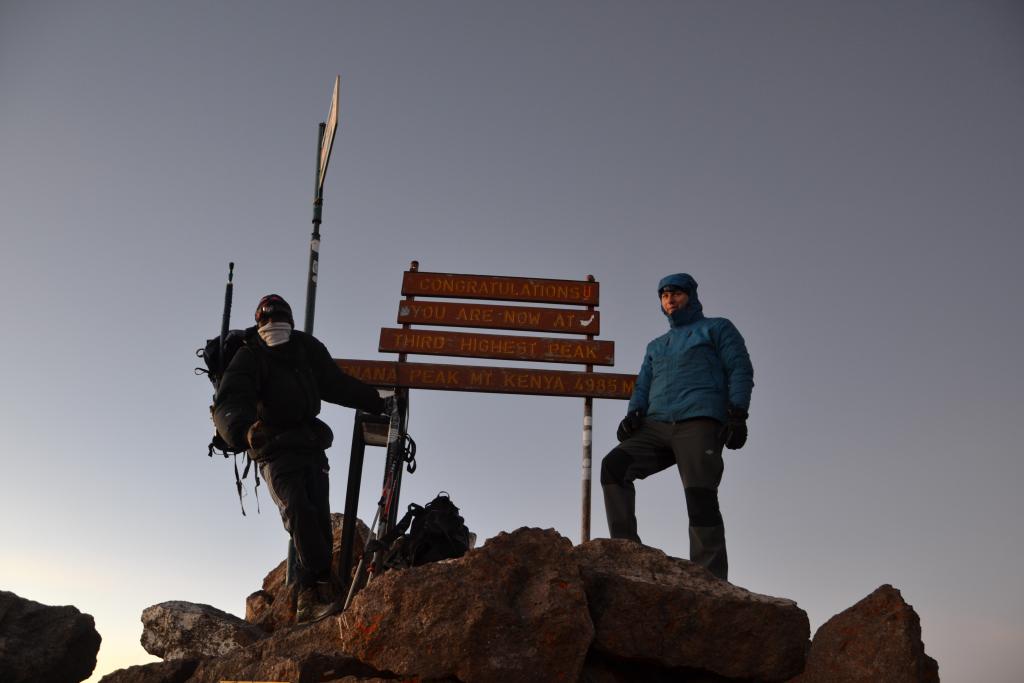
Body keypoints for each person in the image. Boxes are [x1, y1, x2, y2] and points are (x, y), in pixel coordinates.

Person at [214, 294, 388, 622]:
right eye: (268, 322)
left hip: (310, 445)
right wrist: (243, 431)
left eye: (279, 322)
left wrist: (376, 402)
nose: (274, 328)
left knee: (318, 519)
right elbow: (231, 398)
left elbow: (335, 384)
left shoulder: (306, 350)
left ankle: (318, 594)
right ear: (259, 325)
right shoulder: (249, 356)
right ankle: (312, 595)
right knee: (298, 510)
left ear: (291, 323)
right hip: (273, 449)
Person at [601, 273, 753, 581]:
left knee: (700, 495)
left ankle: (709, 578)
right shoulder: (657, 345)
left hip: (699, 421)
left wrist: (738, 413)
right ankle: (625, 552)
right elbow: (643, 384)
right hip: (656, 427)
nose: (669, 298)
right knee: (614, 466)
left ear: (692, 295)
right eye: (663, 294)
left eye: (676, 292)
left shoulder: (717, 328)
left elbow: (740, 368)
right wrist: (634, 414)